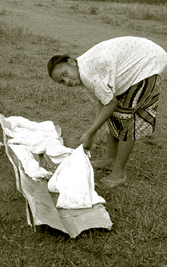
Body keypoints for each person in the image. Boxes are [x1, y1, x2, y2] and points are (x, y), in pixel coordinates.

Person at [47, 36, 167, 187]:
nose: (67, 82)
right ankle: (110, 160)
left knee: (125, 120)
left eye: (65, 74)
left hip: (147, 63)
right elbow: (103, 103)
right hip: (141, 60)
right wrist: (92, 132)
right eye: (62, 82)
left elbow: (110, 103)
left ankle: (119, 174)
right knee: (112, 116)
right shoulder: (84, 76)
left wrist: (90, 133)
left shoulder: (87, 72)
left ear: (71, 62)